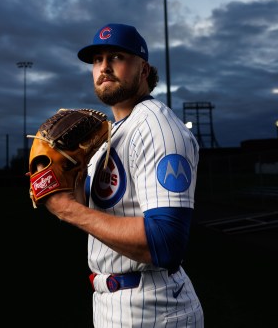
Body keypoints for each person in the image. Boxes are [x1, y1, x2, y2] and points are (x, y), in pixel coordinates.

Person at [43, 23, 204, 327]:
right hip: (111, 300)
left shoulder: (159, 129)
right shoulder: (110, 134)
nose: (104, 67)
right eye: (96, 60)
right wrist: (61, 183)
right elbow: (97, 209)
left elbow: (167, 242)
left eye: (116, 56)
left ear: (143, 70)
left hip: (154, 308)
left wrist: (68, 211)